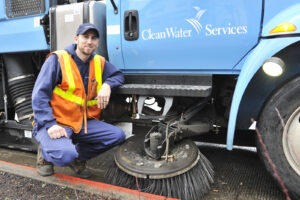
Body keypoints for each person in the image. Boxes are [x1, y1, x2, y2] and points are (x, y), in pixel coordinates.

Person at [32, 23, 126, 178]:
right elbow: (39, 95)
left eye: (94, 38)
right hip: (57, 122)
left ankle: (76, 158)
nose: (89, 41)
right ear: (76, 39)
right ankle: (45, 155)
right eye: (85, 37)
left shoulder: (99, 62)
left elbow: (118, 75)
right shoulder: (58, 59)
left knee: (117, 135)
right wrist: (49, 124)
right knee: (64, 155)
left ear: (97, 42)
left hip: (81, 122)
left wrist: (108, 85)